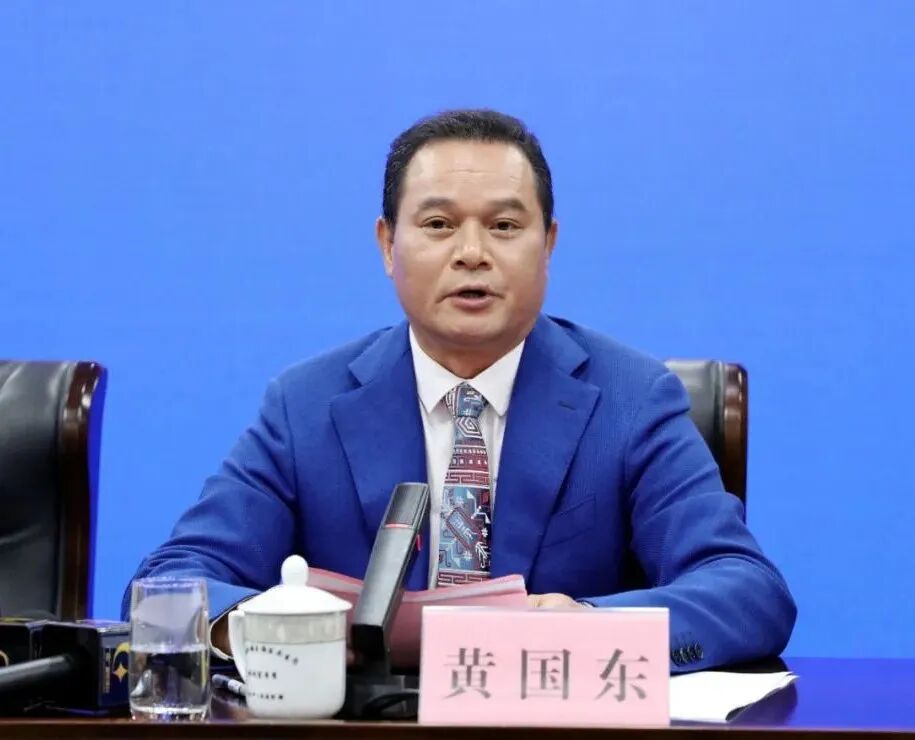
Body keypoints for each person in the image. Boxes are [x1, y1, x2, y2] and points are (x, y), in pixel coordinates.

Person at [123, 109, 795, 671]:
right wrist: (269, 628)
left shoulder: (631, 400)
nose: (472, 252)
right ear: (387, 245)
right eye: (439, 225)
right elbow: (167, 587)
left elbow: (747, 593)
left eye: (504, 226)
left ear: (547, 245)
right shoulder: (306, 406)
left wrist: (590, 626)